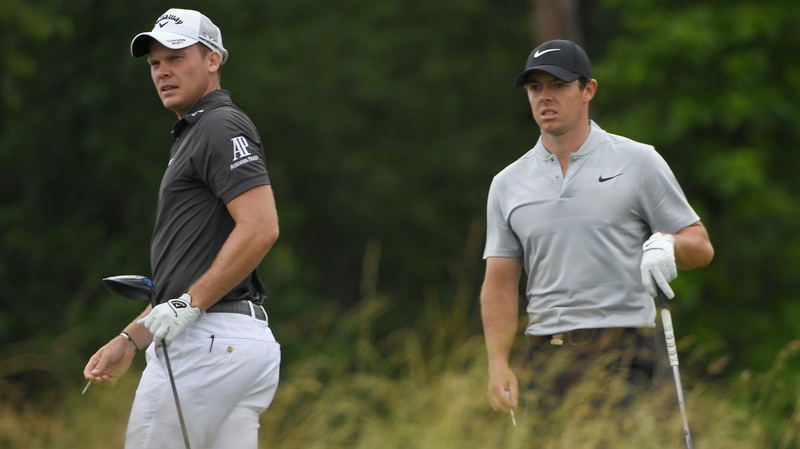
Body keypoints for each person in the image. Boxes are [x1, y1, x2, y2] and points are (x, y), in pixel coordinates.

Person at [480, 39, 714, 416]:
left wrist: (669, 244)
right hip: (545, 350)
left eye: (558, 85)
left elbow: (700, 246)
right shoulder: (507, 183)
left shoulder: (639, 161)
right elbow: (500, 282)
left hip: (623, 347)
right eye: (535, 87)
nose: (545, 97)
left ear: (588, 90)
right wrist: (498, 362)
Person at [83, 8, 281, 448]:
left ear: (213, 60)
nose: (162, 72)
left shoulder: (217, 125)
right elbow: (192, 269)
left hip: (208, 345)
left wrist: (190, 304)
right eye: (155, 64)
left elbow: (261, 227)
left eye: (175, 57)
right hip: (234, 343)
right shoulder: (196, 131)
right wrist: (132, 339)